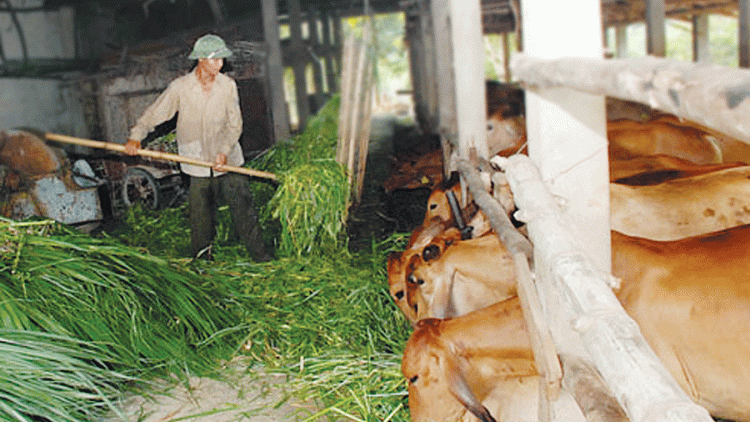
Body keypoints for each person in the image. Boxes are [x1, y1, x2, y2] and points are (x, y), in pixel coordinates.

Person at [125, 34, 271, 262]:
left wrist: (223, 151)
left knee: (244, 211)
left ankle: (261, 258)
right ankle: (203, 264)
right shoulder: (181, 88)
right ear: (201, 59)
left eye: (222, 59)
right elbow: (156, 112)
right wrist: (136, 136)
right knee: (200, 218)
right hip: (197, 163)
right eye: (214, 60)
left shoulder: (228, 86)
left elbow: (235, 124)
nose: (220, 64)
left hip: (229, 160)